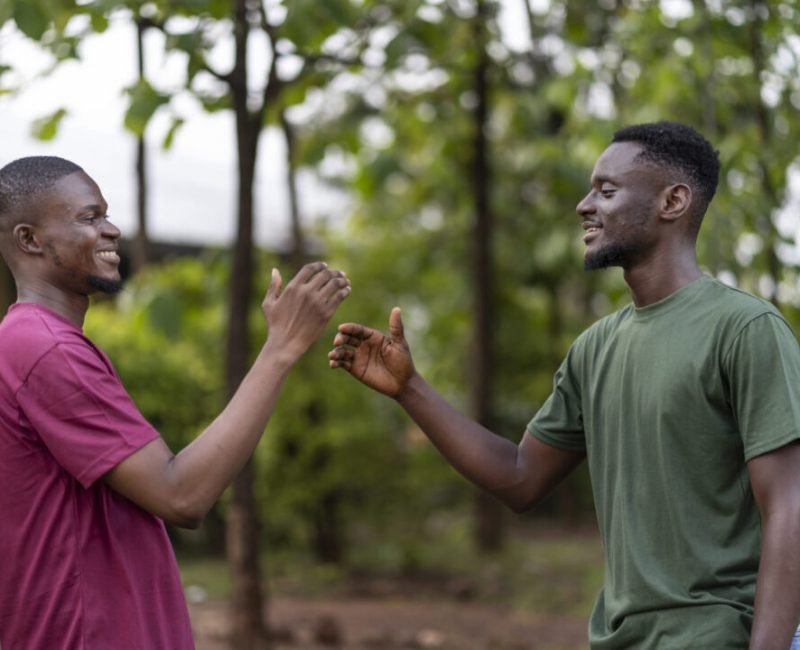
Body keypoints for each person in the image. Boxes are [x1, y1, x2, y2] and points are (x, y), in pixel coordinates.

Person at [328, 121, 800, 649]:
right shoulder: (594, 349)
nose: (583, 205)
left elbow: (789, 507)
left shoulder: (745, 330)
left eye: (606, 191)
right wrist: (411, 389)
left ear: (673, 202)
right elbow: (520, 477)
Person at [0, 155, 351, 649]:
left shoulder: (33, 341)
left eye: (106, 214)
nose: (111, 229)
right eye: (89, 217)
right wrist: (281, 348)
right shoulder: (46, 349)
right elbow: (181, 494)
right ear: (30, 239)